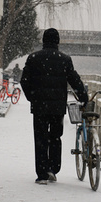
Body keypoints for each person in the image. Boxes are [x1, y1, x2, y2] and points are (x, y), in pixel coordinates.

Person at [20, 28, 88, 185]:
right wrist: (84, 97)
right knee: (55, 138)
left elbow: (24, 80)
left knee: (40, 139)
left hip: (39, 107)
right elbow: (75, 81)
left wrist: (33, 97)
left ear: (43, 40)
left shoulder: (34, 58)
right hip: (57, 108)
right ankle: (53, 168)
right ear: (58, 41)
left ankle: (42, 174)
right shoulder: (64, 60)